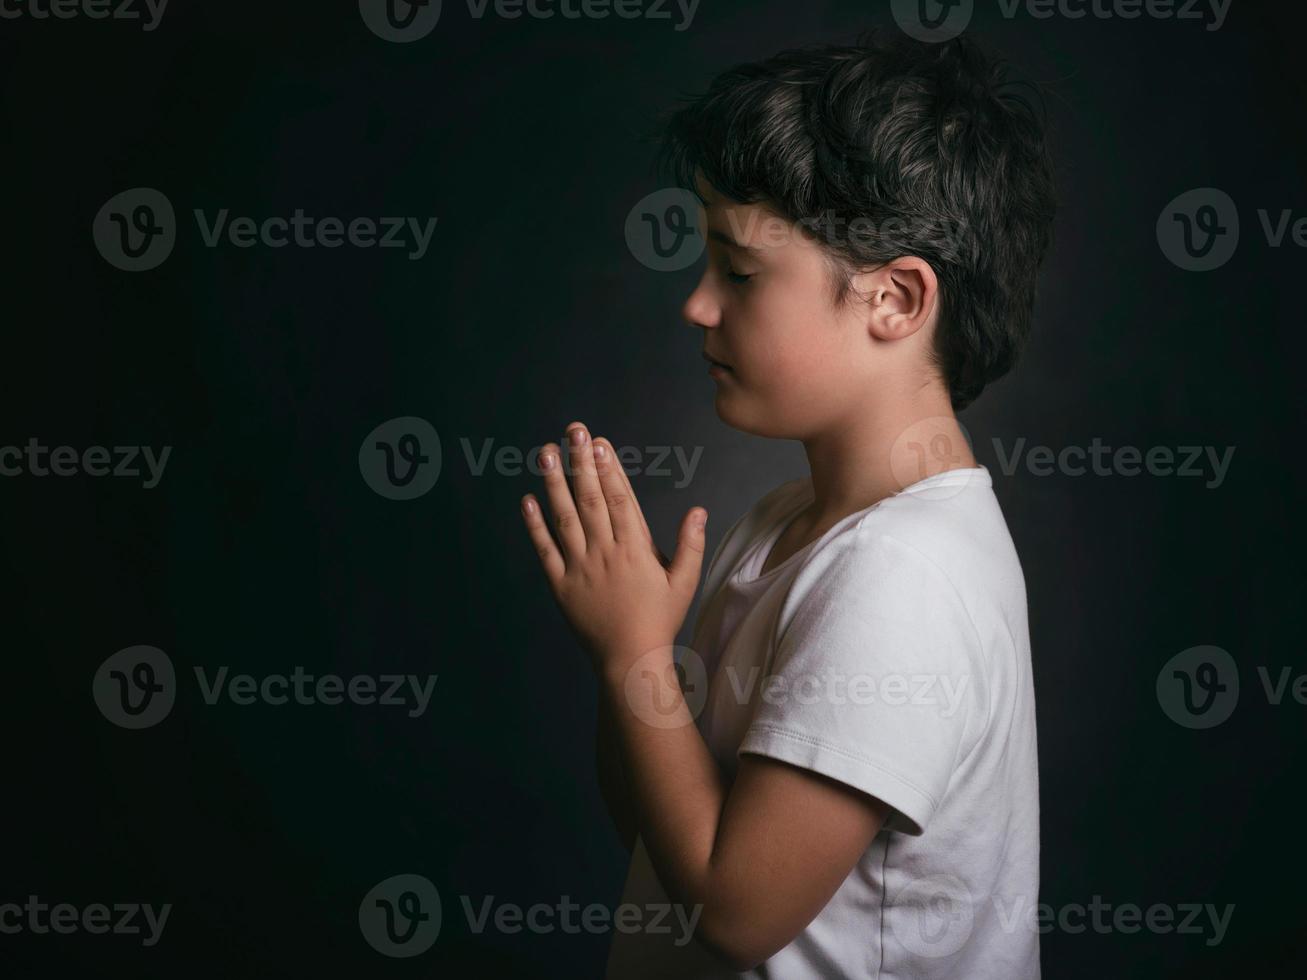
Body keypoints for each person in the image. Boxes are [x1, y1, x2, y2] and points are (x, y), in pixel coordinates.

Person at [519, 27, 1056, 978]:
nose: (696, 305)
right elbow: (654, 826)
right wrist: (628, 662)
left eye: (741, 271)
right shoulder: (783, 521)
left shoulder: (901, 576)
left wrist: (637, 652)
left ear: (893, 299)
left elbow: (735, 910)